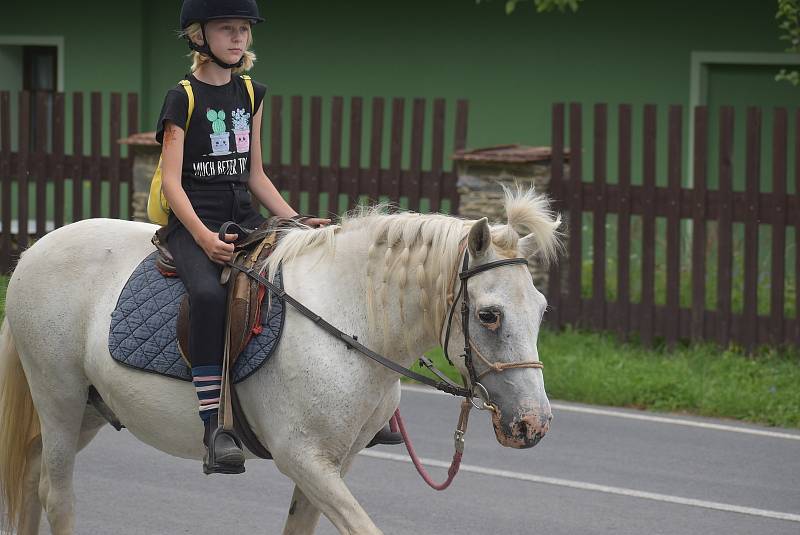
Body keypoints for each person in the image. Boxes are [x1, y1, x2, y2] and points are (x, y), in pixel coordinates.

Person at [156, 0, 400, 475]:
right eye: (227, 29)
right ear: (198, 36)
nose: (239, 38)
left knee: (319, 271)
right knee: (208, 296)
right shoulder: (181, 98)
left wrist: (293, 219)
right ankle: (215, 424)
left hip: (247, 221)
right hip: (193, 225)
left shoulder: (251, 92)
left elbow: (255, 173)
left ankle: (380, 409)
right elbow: (170, 182)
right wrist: (204, 239)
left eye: (244, 29)